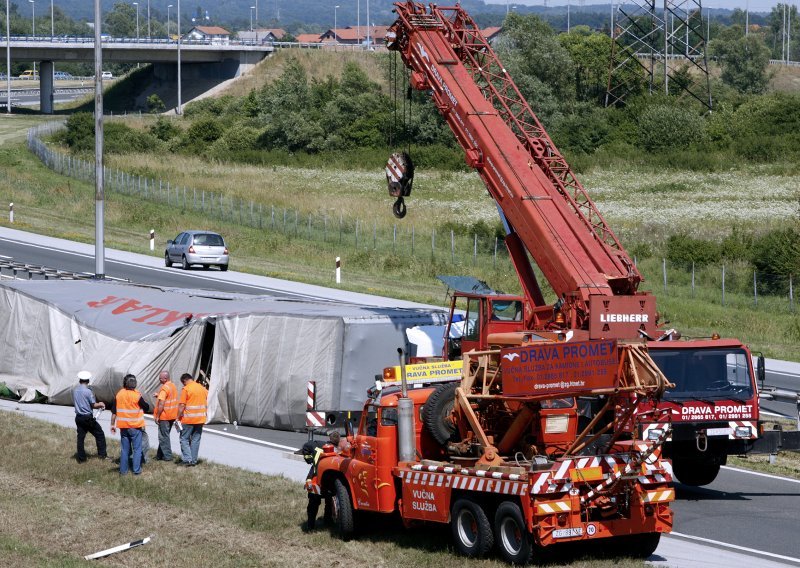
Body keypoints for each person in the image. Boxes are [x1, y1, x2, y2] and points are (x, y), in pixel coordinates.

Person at [110, 374, 151, 476]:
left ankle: (123, 471)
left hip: (123, 427)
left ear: (124, 383)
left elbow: (114, 412)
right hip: (135, 427)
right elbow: (146, 407)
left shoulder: (119, 395)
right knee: (137, 449)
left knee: (124, 450)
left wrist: (112, 425)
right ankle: (136, 470)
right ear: (135, 384)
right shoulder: (137, 395)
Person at [72, 371, 108, 463]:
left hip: (78, 417)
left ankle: (81, 459)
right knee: (99, 434)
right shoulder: (88, 391)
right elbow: (93, 405)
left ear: (80, 380)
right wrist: (100, 404)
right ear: (88, 380)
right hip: (87, 418)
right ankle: (102, 455)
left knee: (80, 438)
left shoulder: (75, 390)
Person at [176, 372, 208, 467]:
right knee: (196, 440)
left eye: (183, 383)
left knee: (184, 439)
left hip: (188, 419)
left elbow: (182, 405)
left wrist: (178, 417)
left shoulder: (186, 389)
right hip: (200, 419)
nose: (183, 385)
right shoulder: (202, 388)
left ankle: (187, 460)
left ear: (185, 380)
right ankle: (193, 461)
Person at [152, 370, 178, 462]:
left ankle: (167, 456)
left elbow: (161, 404)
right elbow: (168, 397)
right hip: (172, 415)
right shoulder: (172, 386)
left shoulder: (164, 388)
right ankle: (159, 455)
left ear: (165, 378)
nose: (159, 379)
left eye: (160, 378)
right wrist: (159, 395)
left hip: (164, 416)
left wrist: (157, 416)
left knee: (163, 436)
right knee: (165, 435)